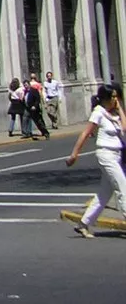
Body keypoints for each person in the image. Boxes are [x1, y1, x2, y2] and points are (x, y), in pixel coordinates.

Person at [66, 83, 126, 238]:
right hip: (106, 154)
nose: (115, 99)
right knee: (123, 188)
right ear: (105, 98)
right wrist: (74, 154)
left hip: (117, 155)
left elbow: (125, 129)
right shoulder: (98, 112)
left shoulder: (114, 114)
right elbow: (85, 133)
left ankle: (83, 224)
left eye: (116, 96)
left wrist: (119, 109)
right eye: (112, 96)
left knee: (104, 194)